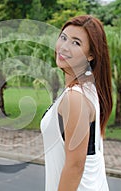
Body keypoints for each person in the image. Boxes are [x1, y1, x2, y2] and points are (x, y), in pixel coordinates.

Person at [40, 15, 113, 191]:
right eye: (63, 38)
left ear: (90, 55)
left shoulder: (75, 97)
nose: (64, 47)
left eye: (76, 43)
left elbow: (75, 166)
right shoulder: (88, 89)